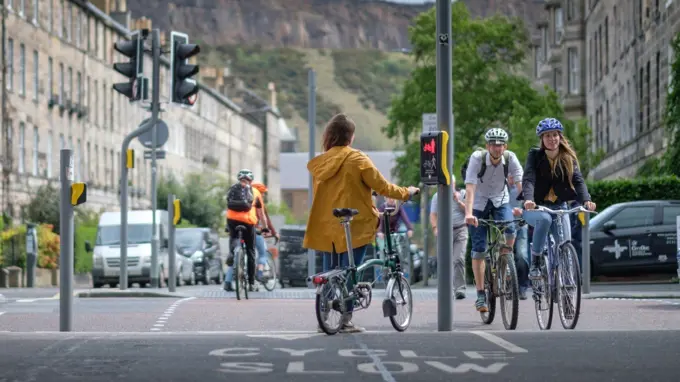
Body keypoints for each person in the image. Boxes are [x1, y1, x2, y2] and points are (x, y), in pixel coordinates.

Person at [303, 113, 419, 333]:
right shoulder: (358, 159)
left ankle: (326, 317)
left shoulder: (322, 162)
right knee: (350, 271)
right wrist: (407, 192)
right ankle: (345, 319)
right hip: (355, 224)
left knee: (331, 272)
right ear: (351, 137)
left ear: (330, 136)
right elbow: (384, 187)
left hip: (328, 225)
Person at [519, 117, 596, 281]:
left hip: (559, 206)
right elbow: (529, 179)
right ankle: (536, 261)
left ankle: (567, 286)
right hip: (536, 207)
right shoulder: (535, 156)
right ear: (542, 139)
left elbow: (578, 180)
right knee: (545, 219)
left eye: (555, 135)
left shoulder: (568, 158)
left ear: (560, 137)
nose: (552, 139)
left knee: (565, 243)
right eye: (547, 135)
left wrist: (586, 200)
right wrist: (528, 199)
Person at [464, 127, 523, 313]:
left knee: (510, 229)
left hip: (500, 200)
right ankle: (481, 294)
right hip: (478, 203)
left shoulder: (511, 158)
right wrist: (468, 213)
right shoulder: (477, 158)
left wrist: (527, 204)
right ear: (487, 146)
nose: (497, 148)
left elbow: (521, 185)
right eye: (493, 145)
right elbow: (470, 188)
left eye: (500, 145)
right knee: (479, 249)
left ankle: (505, 262)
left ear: (505, 146)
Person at [224, 181, 279, 291]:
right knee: (258, 253)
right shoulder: (257, 198)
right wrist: (270, 231)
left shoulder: (240, 195)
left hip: (234, 224)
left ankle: (228, 280)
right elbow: (264, 218)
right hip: (252, 228)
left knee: (235, 251)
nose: (263, 195)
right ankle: (255, 277)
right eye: (263, 193)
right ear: (261, 192)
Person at [224, 169, 266, 293]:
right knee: (251, 252)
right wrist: (264, 227)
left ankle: (232, 253)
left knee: (233, 239)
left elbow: (228, 205)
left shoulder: (232, 188)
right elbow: (261, 214)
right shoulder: (255, 192)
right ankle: (252, 283)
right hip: (248, 223)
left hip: (232, 220)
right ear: (251, 180)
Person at [430, 174, 468, 300]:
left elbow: (469, 211)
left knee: (459, 259)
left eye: (451, 184)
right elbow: (433, 215)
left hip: (461, 229)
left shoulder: (462, 194)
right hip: (445, 231)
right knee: (444, 261)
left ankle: (460, 289)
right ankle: (446, 289)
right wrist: (435, 228)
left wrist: (458, 201)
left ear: (454, 184)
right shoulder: (437, 197)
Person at [508, 175, 530, 300]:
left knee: (522, 255)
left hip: (521, 225)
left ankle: (522, 288)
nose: (512, 179)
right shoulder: (502, 188)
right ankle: (509, 288)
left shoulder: (524, 187)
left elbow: (531, 204)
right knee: (506, 256)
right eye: (510, 176)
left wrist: (522, 211)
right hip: (505, 225)